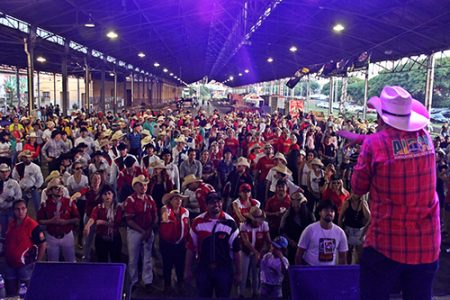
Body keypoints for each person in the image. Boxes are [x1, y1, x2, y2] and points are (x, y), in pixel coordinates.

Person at [347, 86, 440, 300]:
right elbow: (398, 148)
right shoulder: (426, 139)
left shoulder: (373, 145)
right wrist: (363, 139)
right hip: (426, 244)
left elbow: (358, 187)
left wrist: (363, 146)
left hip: (387, 244)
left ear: (381, 117)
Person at [184, 192, 241, 298]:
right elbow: (191, 247)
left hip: (224, 269)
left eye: (218, 201)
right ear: (206, 205)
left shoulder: (230, 222)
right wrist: (187, 270)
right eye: (212, 202)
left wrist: (238, 272)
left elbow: (236, 250)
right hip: (204, 268)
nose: (216, 204)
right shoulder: (198, 222)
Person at [4, 199, 46, 296]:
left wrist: (37, 262)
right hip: (10, 264)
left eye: (23, 209)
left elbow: (43, 244)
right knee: (11, 292)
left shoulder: (33, 225)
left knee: (27, 292)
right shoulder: (11, 224)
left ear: (26, 210)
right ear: (13, 211)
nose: (20, 212)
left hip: (25, 266)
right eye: (17, 209)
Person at [124, 175, 158, 289]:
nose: (143, 187)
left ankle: (147, 280)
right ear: (135, 187)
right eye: (141, 185)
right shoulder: (130, 200)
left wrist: (148, 230)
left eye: (145, 185)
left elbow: (155, 216)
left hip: (147, 230)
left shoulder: (150, 199)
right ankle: (133, 281)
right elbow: (129, 220)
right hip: (135, 231)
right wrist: (143, 231)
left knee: (147, 256)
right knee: (133, 257)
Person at [37, 178, 80, 262]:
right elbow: (39, 220)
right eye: (56, 188)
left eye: (61, 187)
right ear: (50, 191)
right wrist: (51, 221)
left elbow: (77, 218)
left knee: (71, 260)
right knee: (53, 262)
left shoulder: (69, 202)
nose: (60, 189)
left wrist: (66, 222)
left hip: (67, 235)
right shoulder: (45, 204)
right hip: (51, 236)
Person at [295, 200, 348, 266]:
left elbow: (343, 258)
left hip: (329, 271)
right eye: (326, 210)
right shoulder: (310, 230)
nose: (329, 213)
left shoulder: (340, 232)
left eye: (332, 211)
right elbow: (299, 255)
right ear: (320, 212)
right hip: (310, 269)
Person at [159, 190, 190, 293]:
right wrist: (164, 216)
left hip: (181, 244)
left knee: (180, 265)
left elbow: (187, 226)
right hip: (167, 244)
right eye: (176, 198)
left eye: (180, 198)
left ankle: (180, 283)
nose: (179, 200)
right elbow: (164, 214)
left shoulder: (185, 211)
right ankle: (167, 285)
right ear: (170, 201)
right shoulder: (166, 209)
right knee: (167, 265)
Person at [84, 185, 123, 263]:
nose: (107, 196)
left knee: (115, 259)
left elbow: (117, 224)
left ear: (113, 195)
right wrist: (87, 226)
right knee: (101, 260)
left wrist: (103, 222)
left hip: (114, 238)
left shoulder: (118, 208)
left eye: (109, 193)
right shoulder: (98, 208)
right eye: (105, 194)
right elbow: (92, 218)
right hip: (101, 238)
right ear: (101, 196)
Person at [239, 207, 270, 298]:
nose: (258, 221)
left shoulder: (264, 225)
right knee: (243, 273)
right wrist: (256, 252)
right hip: (246, 251)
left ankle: (255, 292)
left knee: (256, 273)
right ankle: (241, 294)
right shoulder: (244, 225)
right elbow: (246, 241)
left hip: (259, 251)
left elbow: (267, 240)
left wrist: (263, 252)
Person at [279, 192, 315, 264]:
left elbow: (313, 230)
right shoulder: (287, 215)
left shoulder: (309, 215)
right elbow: (282, 231)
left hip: (306, 246)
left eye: (298, 205)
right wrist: (291, 242)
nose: (296, 207)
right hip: (291, 246)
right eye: (294, 206)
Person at [338, 194, 371, 264]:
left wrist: (362, 204)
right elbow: (340, 217)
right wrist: (342, 232)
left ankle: (357, 269)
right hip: (348, 230)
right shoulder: (347, 203)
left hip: (359, 231)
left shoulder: (363, 204)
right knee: (348, 253)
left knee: (359, 254)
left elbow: (368, 218)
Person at [0, 163, 22, 237]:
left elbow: (19, 195)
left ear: (9, 172)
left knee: (13, 228)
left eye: (6, 171)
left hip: (11, 210)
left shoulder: (14, 183)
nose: (4, 173)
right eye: (2, 172)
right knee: (3, 230)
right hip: (1, 210)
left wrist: (13, 198)